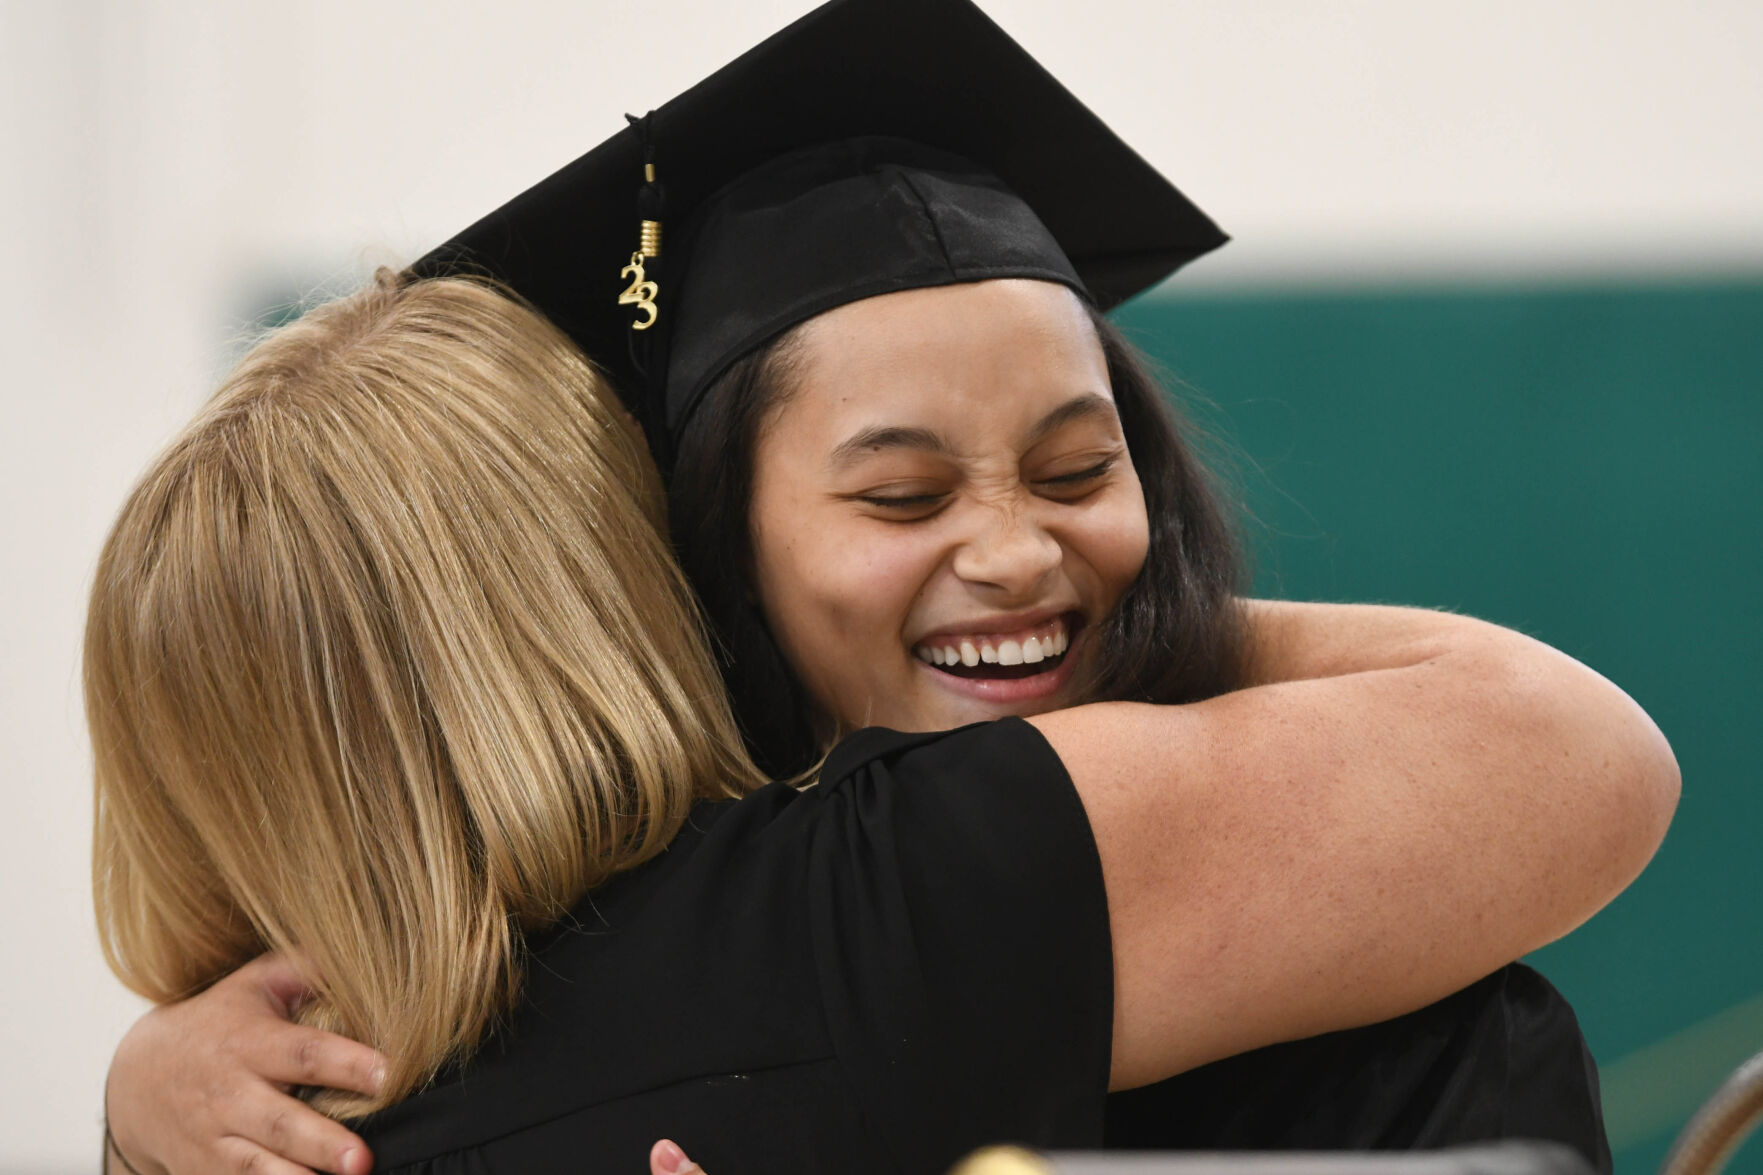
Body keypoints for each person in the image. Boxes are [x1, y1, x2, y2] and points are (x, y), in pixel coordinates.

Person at [99, 0, 1679, 1171]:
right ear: (688, 561)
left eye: (1077, 471)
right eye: (900, 494)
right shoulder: (880, 895)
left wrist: (135, 1097)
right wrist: (1153, 624)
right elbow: (1574, 756)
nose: (1010, 549)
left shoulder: (305, 1099)